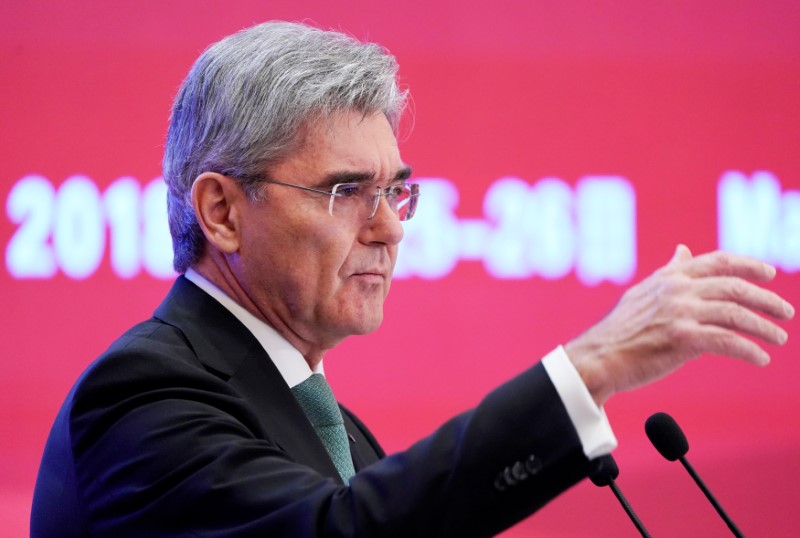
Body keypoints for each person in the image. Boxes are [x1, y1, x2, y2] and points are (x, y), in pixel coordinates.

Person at [31, 21, 793, 537]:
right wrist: (590, 368)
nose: (391, 226)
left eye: (394, 190)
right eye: (344, 191)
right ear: (222, 212)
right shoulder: (141, 395)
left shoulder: (337, 431)